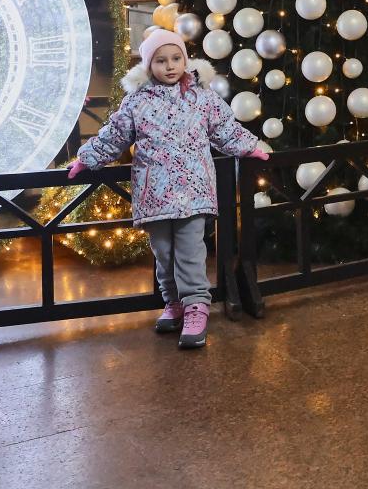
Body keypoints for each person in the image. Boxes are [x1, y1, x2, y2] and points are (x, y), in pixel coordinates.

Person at [67, 29, 268, 349]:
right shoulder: (137, 102)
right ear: (149, 66)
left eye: (176, 59)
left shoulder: (202, 98)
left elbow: (225, 129)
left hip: (193, 191)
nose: (170, 66)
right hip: (154, 194)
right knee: (163, 253)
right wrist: (87, 159)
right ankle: (173, 302)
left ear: (185, 61)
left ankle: (196, 306)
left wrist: (250, 146)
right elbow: (114, 135)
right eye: (161, 61)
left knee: (190, 251)